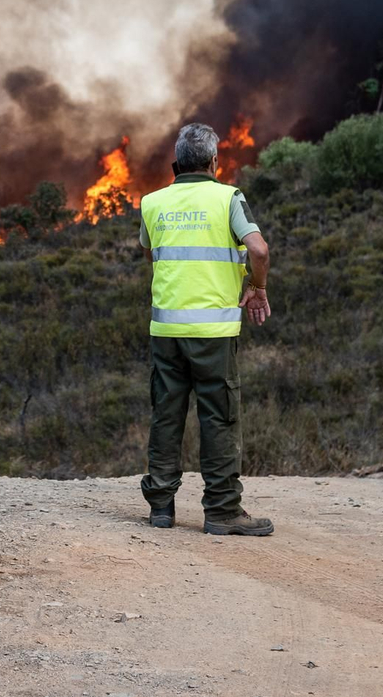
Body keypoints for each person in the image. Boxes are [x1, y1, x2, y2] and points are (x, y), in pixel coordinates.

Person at [137, 121, 274, 536]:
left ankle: (161, 508)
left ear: (177, 162)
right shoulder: (228, 197)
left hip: (166, 332)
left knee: (166, 415)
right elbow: (259, 249)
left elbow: (150, 254)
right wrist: (257, 287)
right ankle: (222, 511)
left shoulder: (152, 201)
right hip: (214, 335)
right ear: (215, 161)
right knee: (219, 418)